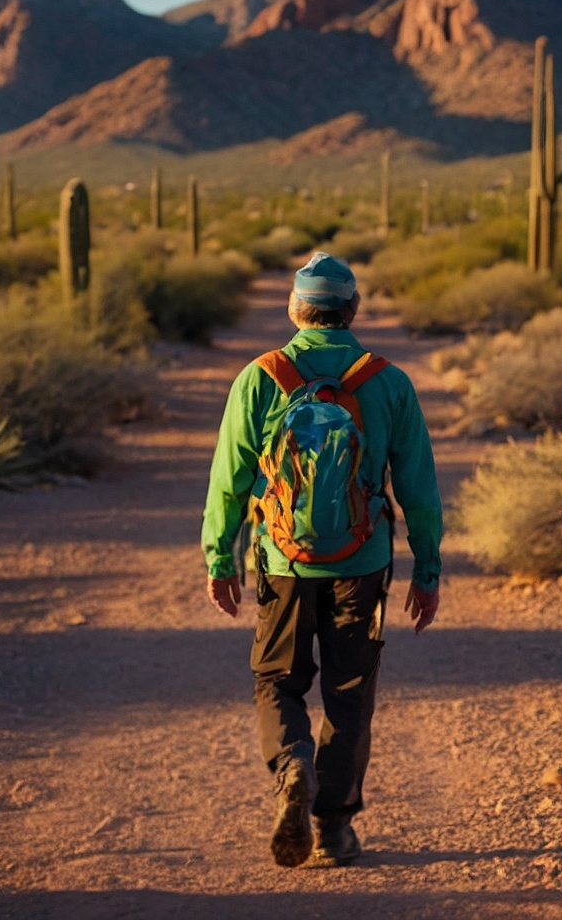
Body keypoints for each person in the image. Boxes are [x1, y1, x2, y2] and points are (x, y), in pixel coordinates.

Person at [201, 252, 442, 869]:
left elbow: (229, 479)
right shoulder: (388, 381)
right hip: (362, 563)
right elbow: (418, 487)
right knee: (350, 691)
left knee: (277, 680)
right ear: (353, 311)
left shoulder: (261, 376)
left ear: (294, 310)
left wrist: (220, 560)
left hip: (283, 562)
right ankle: (333, 828)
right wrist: (430, 570)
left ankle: (292, 766)